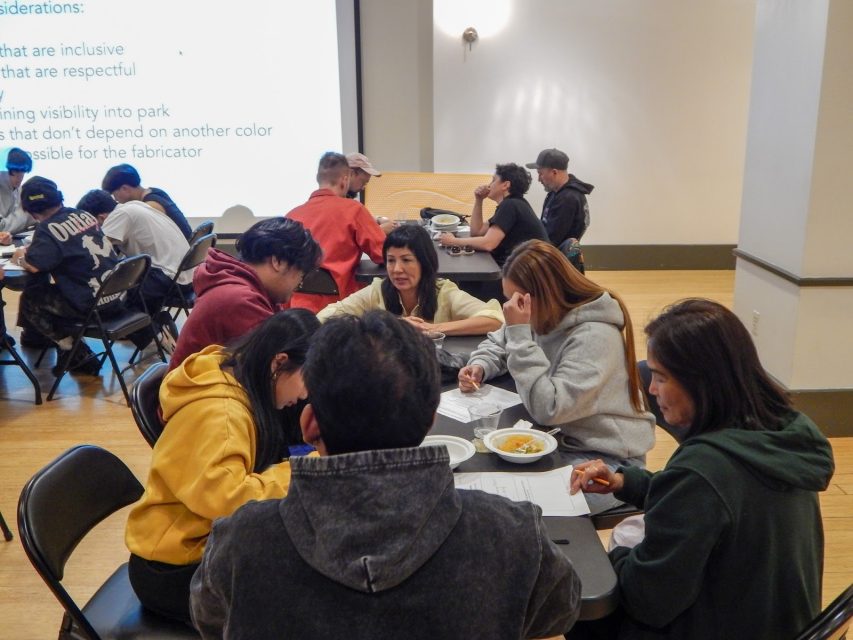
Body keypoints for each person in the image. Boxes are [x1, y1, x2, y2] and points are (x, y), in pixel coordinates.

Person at [190, 310, 582, 639]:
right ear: (430, 421)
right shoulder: (511, 533)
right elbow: (560, 610)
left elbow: (210, 619)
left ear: (309, 425)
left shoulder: (242, 540)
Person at [570, 300, 835, 640]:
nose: (651, 390)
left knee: (580, 601)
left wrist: (615, 554)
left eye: (661, 377)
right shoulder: (782, 436)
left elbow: (647, 601)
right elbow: (705, 502)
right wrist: (624, 482)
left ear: (703, 382)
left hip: (718, 625)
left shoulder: (704, 471)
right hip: (773, 622)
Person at [125, 309, 320, 624]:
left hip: (196, 545)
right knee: (295, 595)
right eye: (306, 379)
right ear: (279, 362)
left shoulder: (238, 378)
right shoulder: (222, 413)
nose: (304, 394)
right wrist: (305, 469)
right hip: (171, 566)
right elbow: (229, 499)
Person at [458, 240, 654, 513]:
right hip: (558, 439)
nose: (509, 309)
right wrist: (480, 364)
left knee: (508, 507)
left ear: (544, 295)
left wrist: (519, 333)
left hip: (606, 461)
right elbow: (500, 341)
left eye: (517, 301)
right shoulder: (539, 313)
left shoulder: (594, 336)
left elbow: (548, 408)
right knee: (478, 478)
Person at [168, 217, 321, 370]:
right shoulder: (241, 300)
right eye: (301, 275)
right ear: (278, 262)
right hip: (195, 392)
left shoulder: (245, 288)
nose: (299, 285)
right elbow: (277, 368)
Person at [11, 177, 125, 376]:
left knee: (31, 298)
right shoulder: (82, 214)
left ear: (30, 210)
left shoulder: (47, 229)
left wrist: (20, 257)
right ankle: (62, 345)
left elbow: (35, 266)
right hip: (118, 297)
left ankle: (70, 346)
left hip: (92, 307)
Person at [318, 224, 504, 335]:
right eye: (391, 261)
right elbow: (323, 318)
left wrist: (433, 328)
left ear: (424, 262)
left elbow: (495, 318)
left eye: (406, 260)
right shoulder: (377, 291)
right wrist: (383, 324)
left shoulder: (443, 292)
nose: (397, 270)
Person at [77, 189, 192, 338]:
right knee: (123, 281)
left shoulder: (119, 216)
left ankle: (155, 334)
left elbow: (97, 253)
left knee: (109, 300)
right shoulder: (134, 206)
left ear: (101, 217)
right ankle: (156, 326)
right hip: (184, 275)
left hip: (169, 278)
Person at [286, 151, 387, 313]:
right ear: (345, 179)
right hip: (339, 308)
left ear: (317, 178)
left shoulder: (291, 215)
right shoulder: (354, 211)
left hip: (293, 307)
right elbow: (383, 254)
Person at [438, 162, 548, 267]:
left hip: (523, 274)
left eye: (493, 180)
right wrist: (479, 200)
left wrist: (453, 241)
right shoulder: (513, 204)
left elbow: (488, 244)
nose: (489, 185)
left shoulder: (511, 205)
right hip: (520, 267)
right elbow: (477, 232)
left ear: (505, 185)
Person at [101, 163, 193, 240]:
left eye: (114, 195)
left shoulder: (150, 206)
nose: (115, 200)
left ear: (125, 189)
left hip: (181, 258)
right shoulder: (155, 191)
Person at [525, 148, 593, 248]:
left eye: (540, 174)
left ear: (554, 172)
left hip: (557, 259)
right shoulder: (555, 194)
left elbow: (551, 240)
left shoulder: (568, 198)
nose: (539, 179)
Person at [0, 147, 34, 239]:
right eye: (15, 172)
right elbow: (1, 228)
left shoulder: (19, 189)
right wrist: (27, 213)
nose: (20, 178)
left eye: (23, 172)